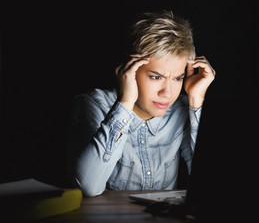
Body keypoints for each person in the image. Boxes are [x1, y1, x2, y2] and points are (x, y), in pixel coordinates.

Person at [67, 10, 215, 197]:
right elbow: (87, 186)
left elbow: (211, 181)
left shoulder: (182, 110)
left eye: (178, 78)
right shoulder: (93, 104)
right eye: (155, 77)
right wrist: (125, 103)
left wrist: (196, 101)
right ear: (130, 69)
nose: (167, 93)